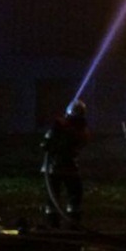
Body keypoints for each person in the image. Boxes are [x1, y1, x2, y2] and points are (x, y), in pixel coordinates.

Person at [41, 97, 89, 228]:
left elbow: (81, 141)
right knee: (55, 195)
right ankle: (54, 223)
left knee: (75, 193)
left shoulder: (75, 128)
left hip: (65, 165)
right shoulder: (60, 126)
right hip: (55, 166)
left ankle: (72, 222)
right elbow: (46, 144)